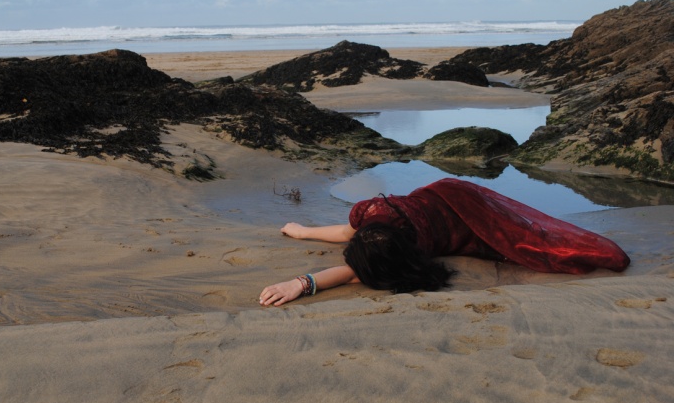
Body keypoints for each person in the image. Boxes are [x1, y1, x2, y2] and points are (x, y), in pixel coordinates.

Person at [259, 178, 630, 306]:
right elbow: (346, 235)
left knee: (525, 239)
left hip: (460, 205)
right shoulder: (368, 214)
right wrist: (303, 230)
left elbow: (353, 271)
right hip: (439, 204)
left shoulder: (405, 242)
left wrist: (301, 283)